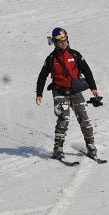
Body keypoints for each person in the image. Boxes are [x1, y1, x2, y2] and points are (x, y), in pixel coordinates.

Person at [36, 27, 102, 161]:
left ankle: (91, 146)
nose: (63, 43)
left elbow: (87, 71)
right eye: (60, 41)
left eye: (65, 40)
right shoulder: (51, 58)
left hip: (76, 92)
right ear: (54, 42)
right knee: (64, 119)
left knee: (85, 119)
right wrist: (39, 93)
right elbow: (42, 77)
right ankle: (58, 149)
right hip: (60, 92)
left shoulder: (75, 55)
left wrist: (93, 88)